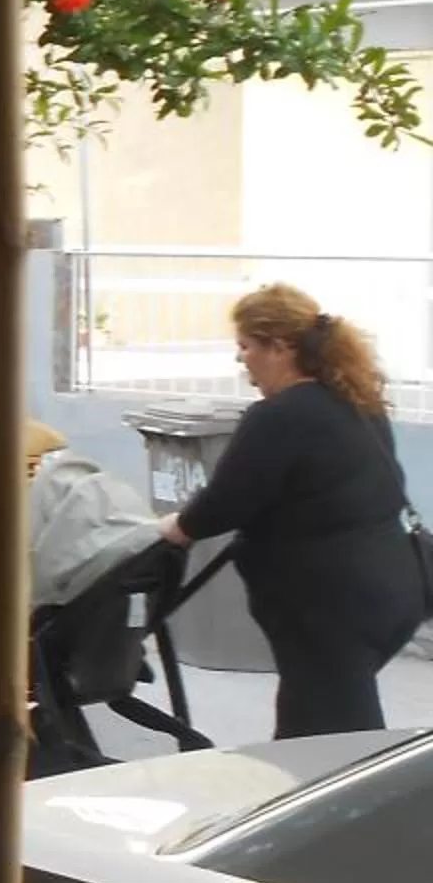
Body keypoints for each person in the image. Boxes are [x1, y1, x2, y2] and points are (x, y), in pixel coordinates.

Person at [157, 284, 426, 737]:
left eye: (246, 345)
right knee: (319, 719)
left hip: (329, 607)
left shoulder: (279, 416)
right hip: (392, 589)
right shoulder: (356, 403)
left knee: (330, 737)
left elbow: (225, 502)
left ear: (279, 347)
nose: (240, 359)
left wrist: (177, 527)